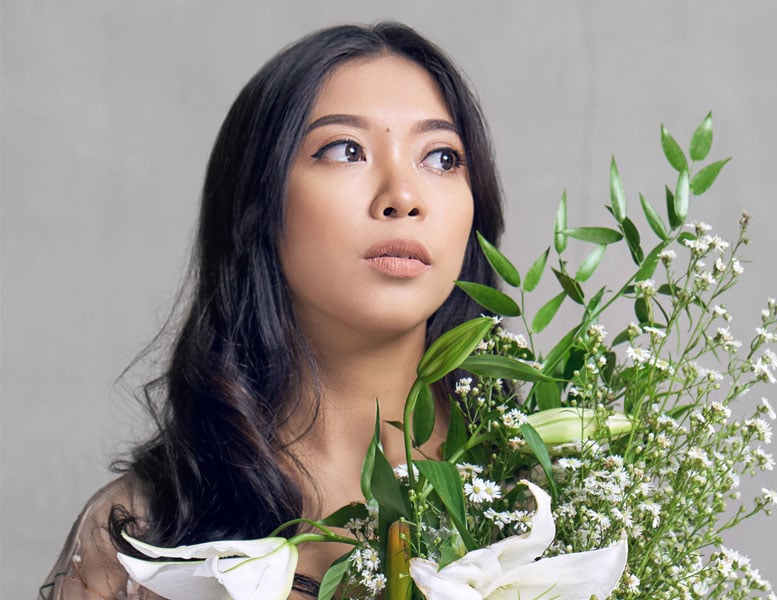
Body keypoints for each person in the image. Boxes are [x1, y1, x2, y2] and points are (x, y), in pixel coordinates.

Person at [39, 21, 504, 599]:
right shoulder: (140, 538)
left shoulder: (545, 484)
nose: (403, 197)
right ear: (257, 201)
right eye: (346, 151)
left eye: (442, 157)